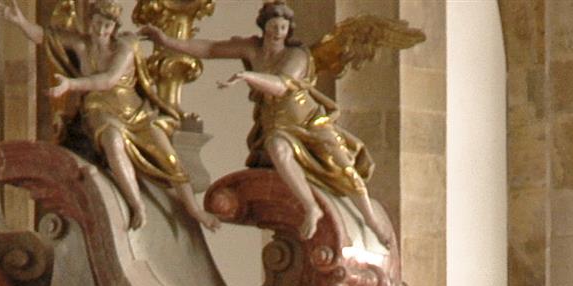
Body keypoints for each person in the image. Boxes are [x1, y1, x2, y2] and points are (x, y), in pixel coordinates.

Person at [143, 1, 398, 246]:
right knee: (277, 149)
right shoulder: (252, 48)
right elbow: (210, 49)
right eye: (274, 26)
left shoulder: (297, 55)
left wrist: (247, 75)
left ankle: (370, 218)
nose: (278, 32)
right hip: (277, 124)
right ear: (264, 26)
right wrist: (166, 41)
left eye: (283, 28)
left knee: (343, 167)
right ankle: (311, 207)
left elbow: (281, 86)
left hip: (308, 122)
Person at [2, 0, 219, 230]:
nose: (101, 30)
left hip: (135, 110)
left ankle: (195, 210)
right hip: (99, 108)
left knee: (169, 157)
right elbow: (44, 37)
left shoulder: (125, 46)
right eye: (97, 23)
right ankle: (136, 204)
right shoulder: (81, 44)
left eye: (107, 25)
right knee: (113, 142)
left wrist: (71, 84)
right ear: (90, 22)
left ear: (115, 27)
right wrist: (20, 22)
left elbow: (108, 79)